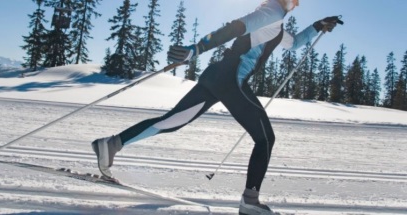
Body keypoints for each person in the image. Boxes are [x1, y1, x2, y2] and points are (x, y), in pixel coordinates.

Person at [92, 0, 343, 214]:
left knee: (171, 121)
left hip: (217, 76)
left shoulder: (275, 23)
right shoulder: (272, 12)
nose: (296, 3)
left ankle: (112, 144)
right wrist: (197, 48)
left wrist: (317, 27)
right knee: (265, 138)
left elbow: (294, 43)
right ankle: (250, 201)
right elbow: (236, 27)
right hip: (231, 78)